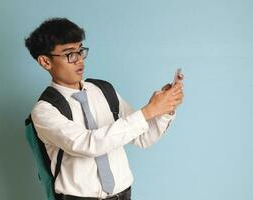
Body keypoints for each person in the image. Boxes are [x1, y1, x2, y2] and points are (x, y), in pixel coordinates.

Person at [24, 17, 184, 200]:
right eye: (70, 54)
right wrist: (149, 111)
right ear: (45, 61)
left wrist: (165, 108)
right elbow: (88, 144)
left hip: (123, 195)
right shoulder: (44, 110)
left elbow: (143, 137)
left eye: (80, 51)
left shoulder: (103, 90)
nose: (79, 60)